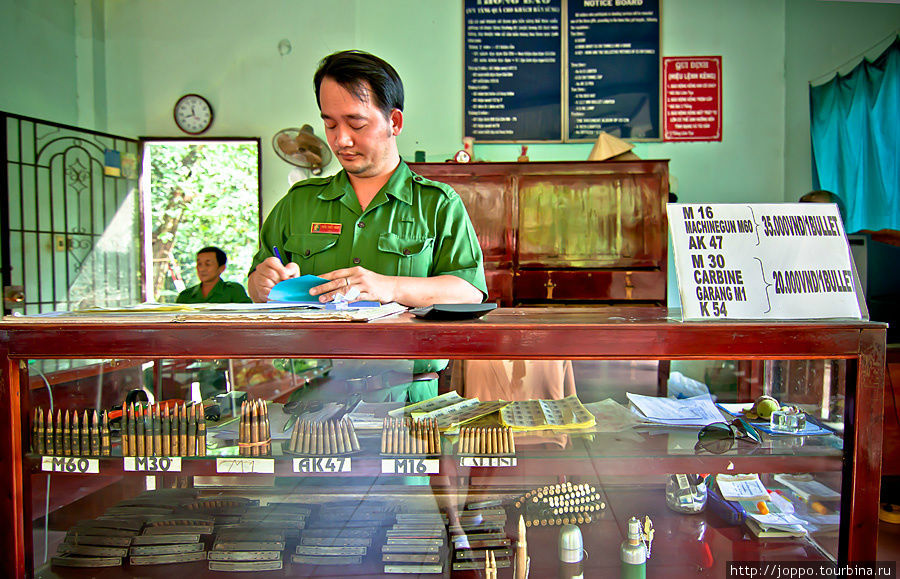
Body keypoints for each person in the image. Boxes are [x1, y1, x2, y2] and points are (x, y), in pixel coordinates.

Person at [247, 50, 487, 401]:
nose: (341, 140)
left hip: (406, 403)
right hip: (309, 399)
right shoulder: (299, 203)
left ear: (395, 122)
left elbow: (469, 292)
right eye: (330, 124)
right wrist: (260, 284)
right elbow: (257, 288)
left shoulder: (436, 203)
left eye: (356, 124)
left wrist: (388, 286)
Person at [176, 246, 251, 304]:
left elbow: (247, 318)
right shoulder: (185, 296)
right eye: (199, 264)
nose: (202, 269)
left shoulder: (234, 291)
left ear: (222, 268)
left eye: (208, 264)